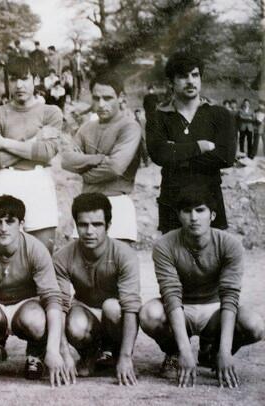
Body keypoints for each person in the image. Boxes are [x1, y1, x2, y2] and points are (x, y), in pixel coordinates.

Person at [139, 187, 264, 388]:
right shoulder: (164, 244)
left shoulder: (230, 244)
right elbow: (171, 294)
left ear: (212, 215)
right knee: (148, 314)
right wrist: (185, 351)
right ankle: (173, 353)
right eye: (187, 211)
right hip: (181, 308)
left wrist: (225, 351)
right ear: (179, 215)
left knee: (255, 325)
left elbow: (230, 296)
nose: (193, 218)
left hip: (215, 309)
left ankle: (213, 352)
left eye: (200, 210)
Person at [0, 195, 69, 385]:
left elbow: (53, 300)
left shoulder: (36, 249)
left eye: (9, 221)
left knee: (37, 318)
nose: (3, 228)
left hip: (24, 307)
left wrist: (53, 350)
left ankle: (36, 354)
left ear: (21, 224)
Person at [54, 193, 141, 384]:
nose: (89, 231)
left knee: (112, 307)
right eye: (83, 225)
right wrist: (63, 352)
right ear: (76, 225)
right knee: (74, 323)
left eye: (97, 224)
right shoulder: (62, 256)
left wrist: (126, 356)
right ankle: (90, 355)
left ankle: (117, 354)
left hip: (114, 313)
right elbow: (58, 306)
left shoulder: (124, 254)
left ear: (108, 225)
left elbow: (131, 306)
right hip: (86, 308)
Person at [146, 52, 236, 234]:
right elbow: (159, 155)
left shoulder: (220, 115)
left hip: (209, 200)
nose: (190, 81)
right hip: (172, 201)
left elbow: (225, 157)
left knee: (212, 252)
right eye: (182, 76)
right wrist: (200, 147)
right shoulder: (158, 117)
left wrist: (176, 151)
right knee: (173, 251)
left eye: (195, 75)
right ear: (170, 82)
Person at [0, 56, 63, 255]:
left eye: (25, 78)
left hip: (39, 180)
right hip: (6, 180)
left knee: (42, 252)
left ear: (35, 79)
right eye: (13, 79)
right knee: (1, 252)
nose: (19, 85)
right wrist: (34, 142)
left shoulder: (51, 112)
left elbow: (46, 153)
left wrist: (3, 143)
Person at [61, 72, 142, 242]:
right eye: (96, 98)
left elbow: (114, 168)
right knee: (81, 258)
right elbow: (66, 160)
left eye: (107, 98)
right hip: (86, 203)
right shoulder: (86, 127)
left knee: (116, 257)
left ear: (121, 97)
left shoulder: (130, 127)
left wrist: (84, 173)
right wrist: (96, 159)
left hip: (116, 203)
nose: (101, 104)